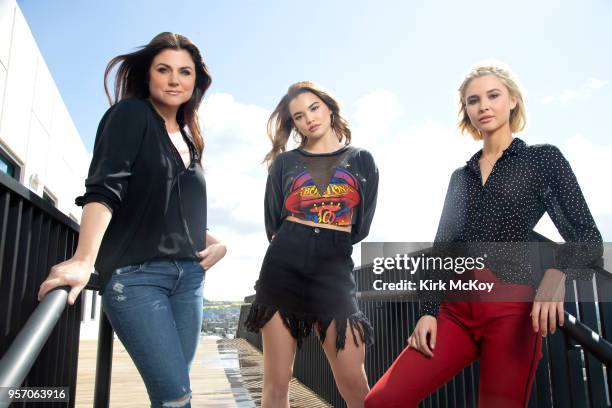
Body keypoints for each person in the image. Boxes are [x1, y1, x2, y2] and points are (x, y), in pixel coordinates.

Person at [365, 62, 603, 407]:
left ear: (513, 101)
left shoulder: (542, 160)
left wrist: (557, 272)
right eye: (473, 100)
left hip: (512, 313)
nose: (484, 106)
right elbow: (443, 249)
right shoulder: (459, 178)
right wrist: (429, 311)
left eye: (493, 95)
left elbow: (587, 235)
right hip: (456, 312)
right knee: (381, 401)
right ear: (467, 111)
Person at [37, 32, 227, 408]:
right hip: (137, 278)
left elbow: (173, 211)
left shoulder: (189, 140)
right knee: (176, 397)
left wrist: (216, 243)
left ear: (195, 82)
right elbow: (105, 190)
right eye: (164, 69)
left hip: (189, 280)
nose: (175, 80)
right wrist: (83, 259)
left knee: (175, 391)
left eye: (185, 72)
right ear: (148, 75)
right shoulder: (131, 115)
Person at [245, 81, 379, 407]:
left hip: (333, 269)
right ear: (295, 124)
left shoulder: (362, 159)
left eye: (314, 108)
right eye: (299, 116)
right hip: (283, 266)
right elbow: (272, 222)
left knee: (356, 384)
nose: (309, 119)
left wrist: (327, 236)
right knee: (276, 385)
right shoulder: (284, 164)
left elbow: (359, 226)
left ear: (329, 107)